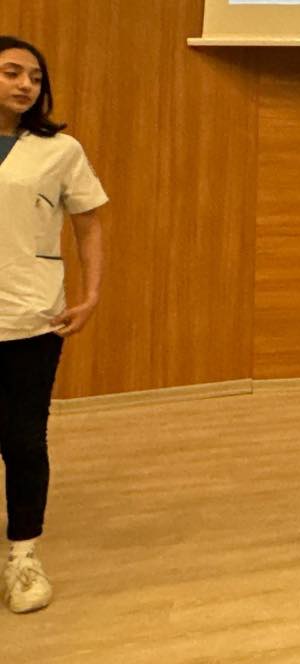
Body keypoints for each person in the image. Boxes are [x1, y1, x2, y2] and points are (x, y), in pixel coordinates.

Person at [0, 36, 107, 615]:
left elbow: (88, 223)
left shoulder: (59, 150)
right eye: (12, 72)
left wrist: (90, 295)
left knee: (23, 438)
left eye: (35, 78)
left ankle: (23, 554)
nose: (25, 85)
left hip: (30, 316)